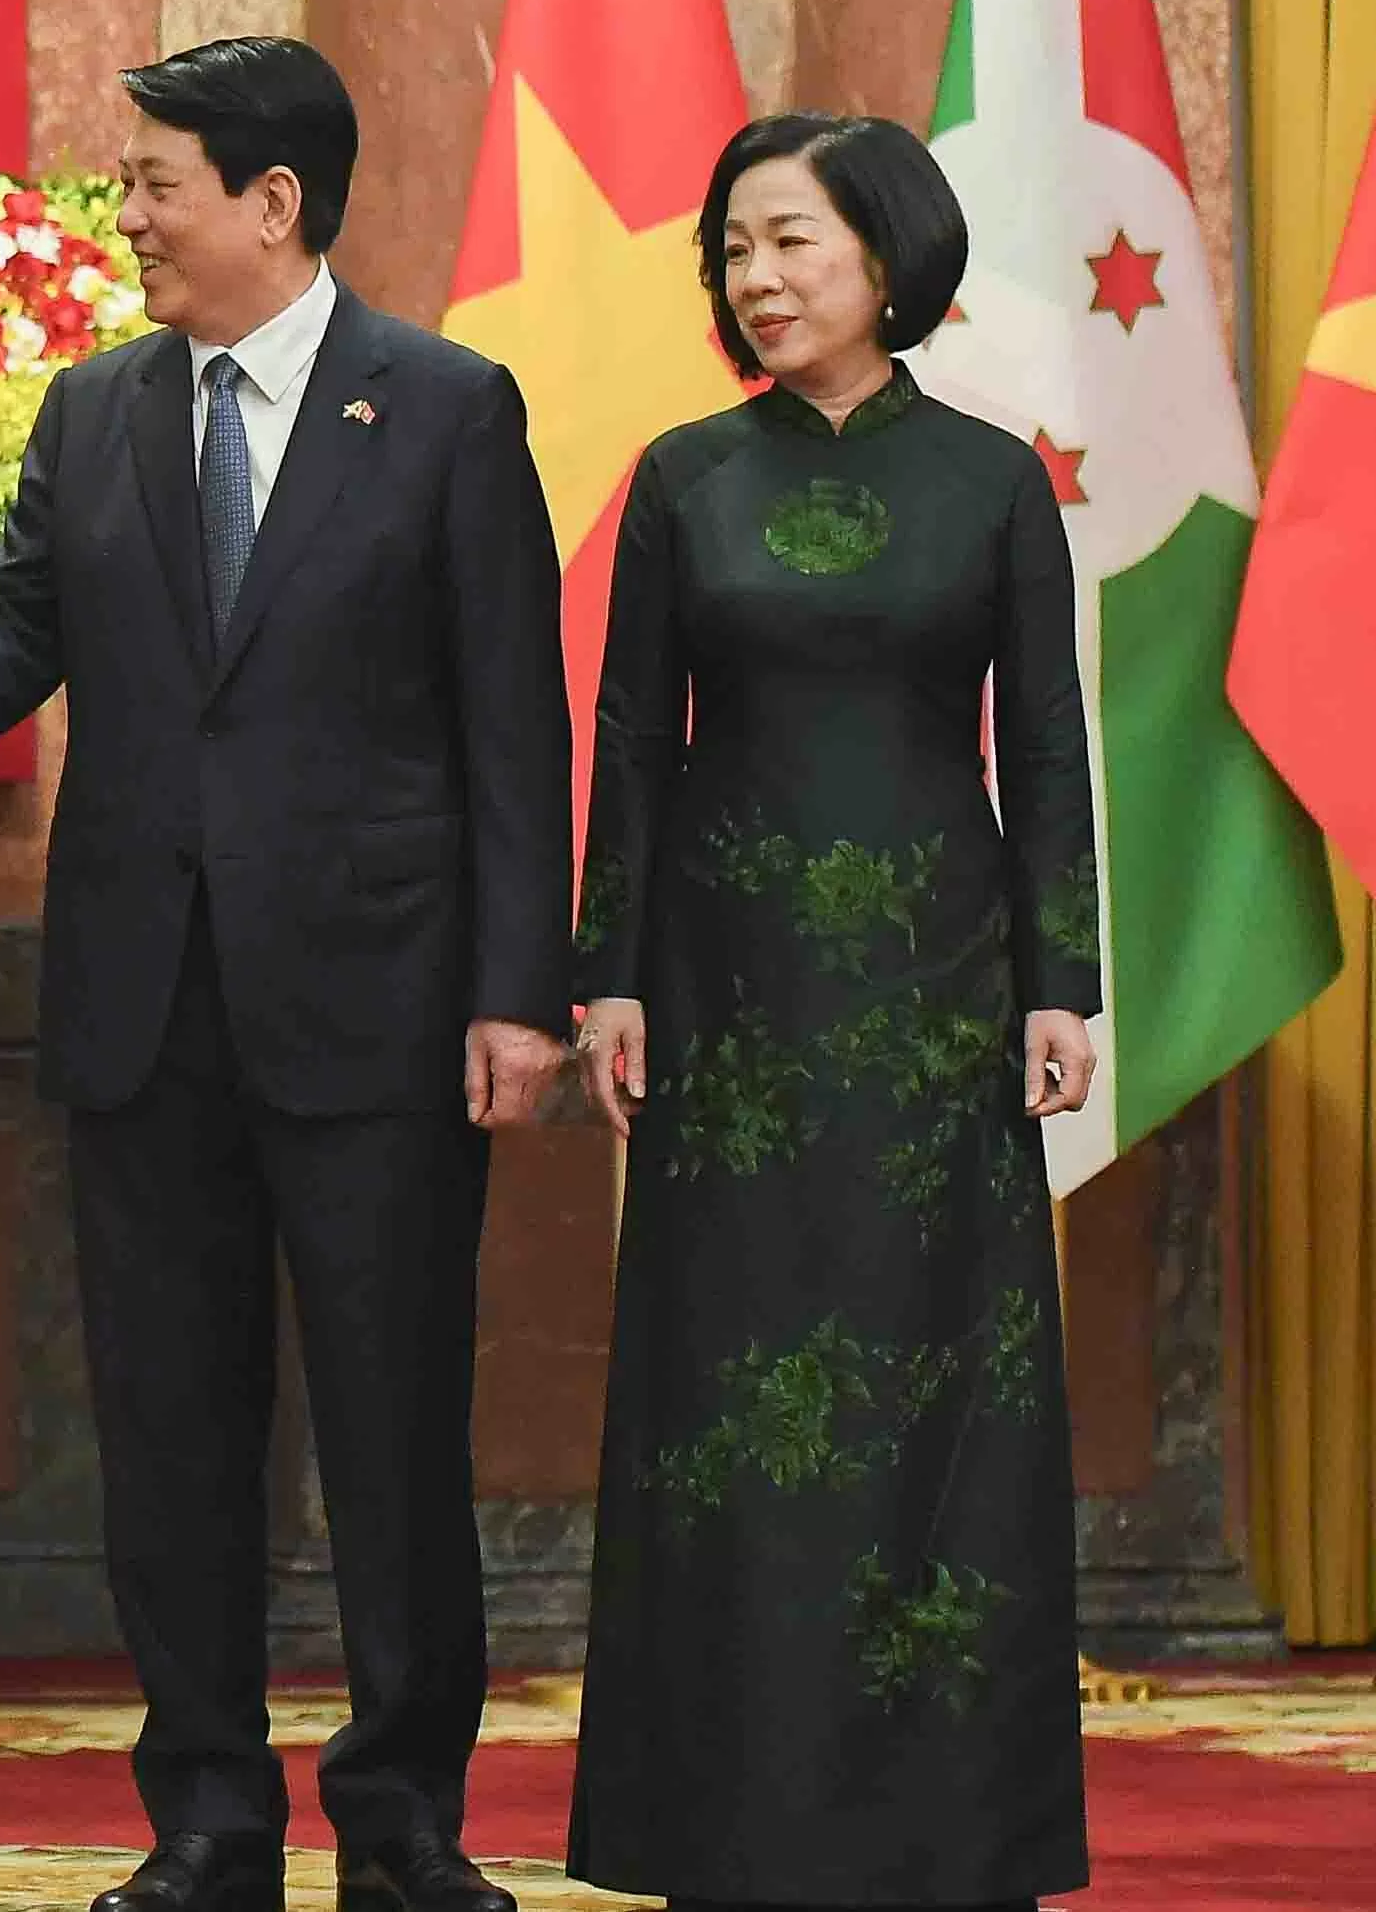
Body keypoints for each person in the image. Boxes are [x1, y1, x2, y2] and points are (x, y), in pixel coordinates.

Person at [0, 35, 571, 1912]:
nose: (127, 216)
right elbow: (11, 638)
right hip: (144, 1003)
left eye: (155, 180)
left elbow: (516, 716)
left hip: (380, 1007)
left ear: (272, 200)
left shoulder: (441, 406)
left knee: (392, 1428)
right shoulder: (96, 409)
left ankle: (406, 1822)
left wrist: (521, 987)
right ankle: (206, 1818)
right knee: (169, 1436)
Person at [561, 112, 1099, 1912]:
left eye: (789, 241)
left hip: (942, 1000)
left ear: (888, 252)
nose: (758, 278)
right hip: (725, 1003)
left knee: (947, 1402)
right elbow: (633, 737)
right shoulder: (682, 473)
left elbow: (1042, 744)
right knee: (727, 1406)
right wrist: (607, 966)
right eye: (733, 250)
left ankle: (950, 1838)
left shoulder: (995, 480)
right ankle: (726, 1833)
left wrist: (1064, 978)